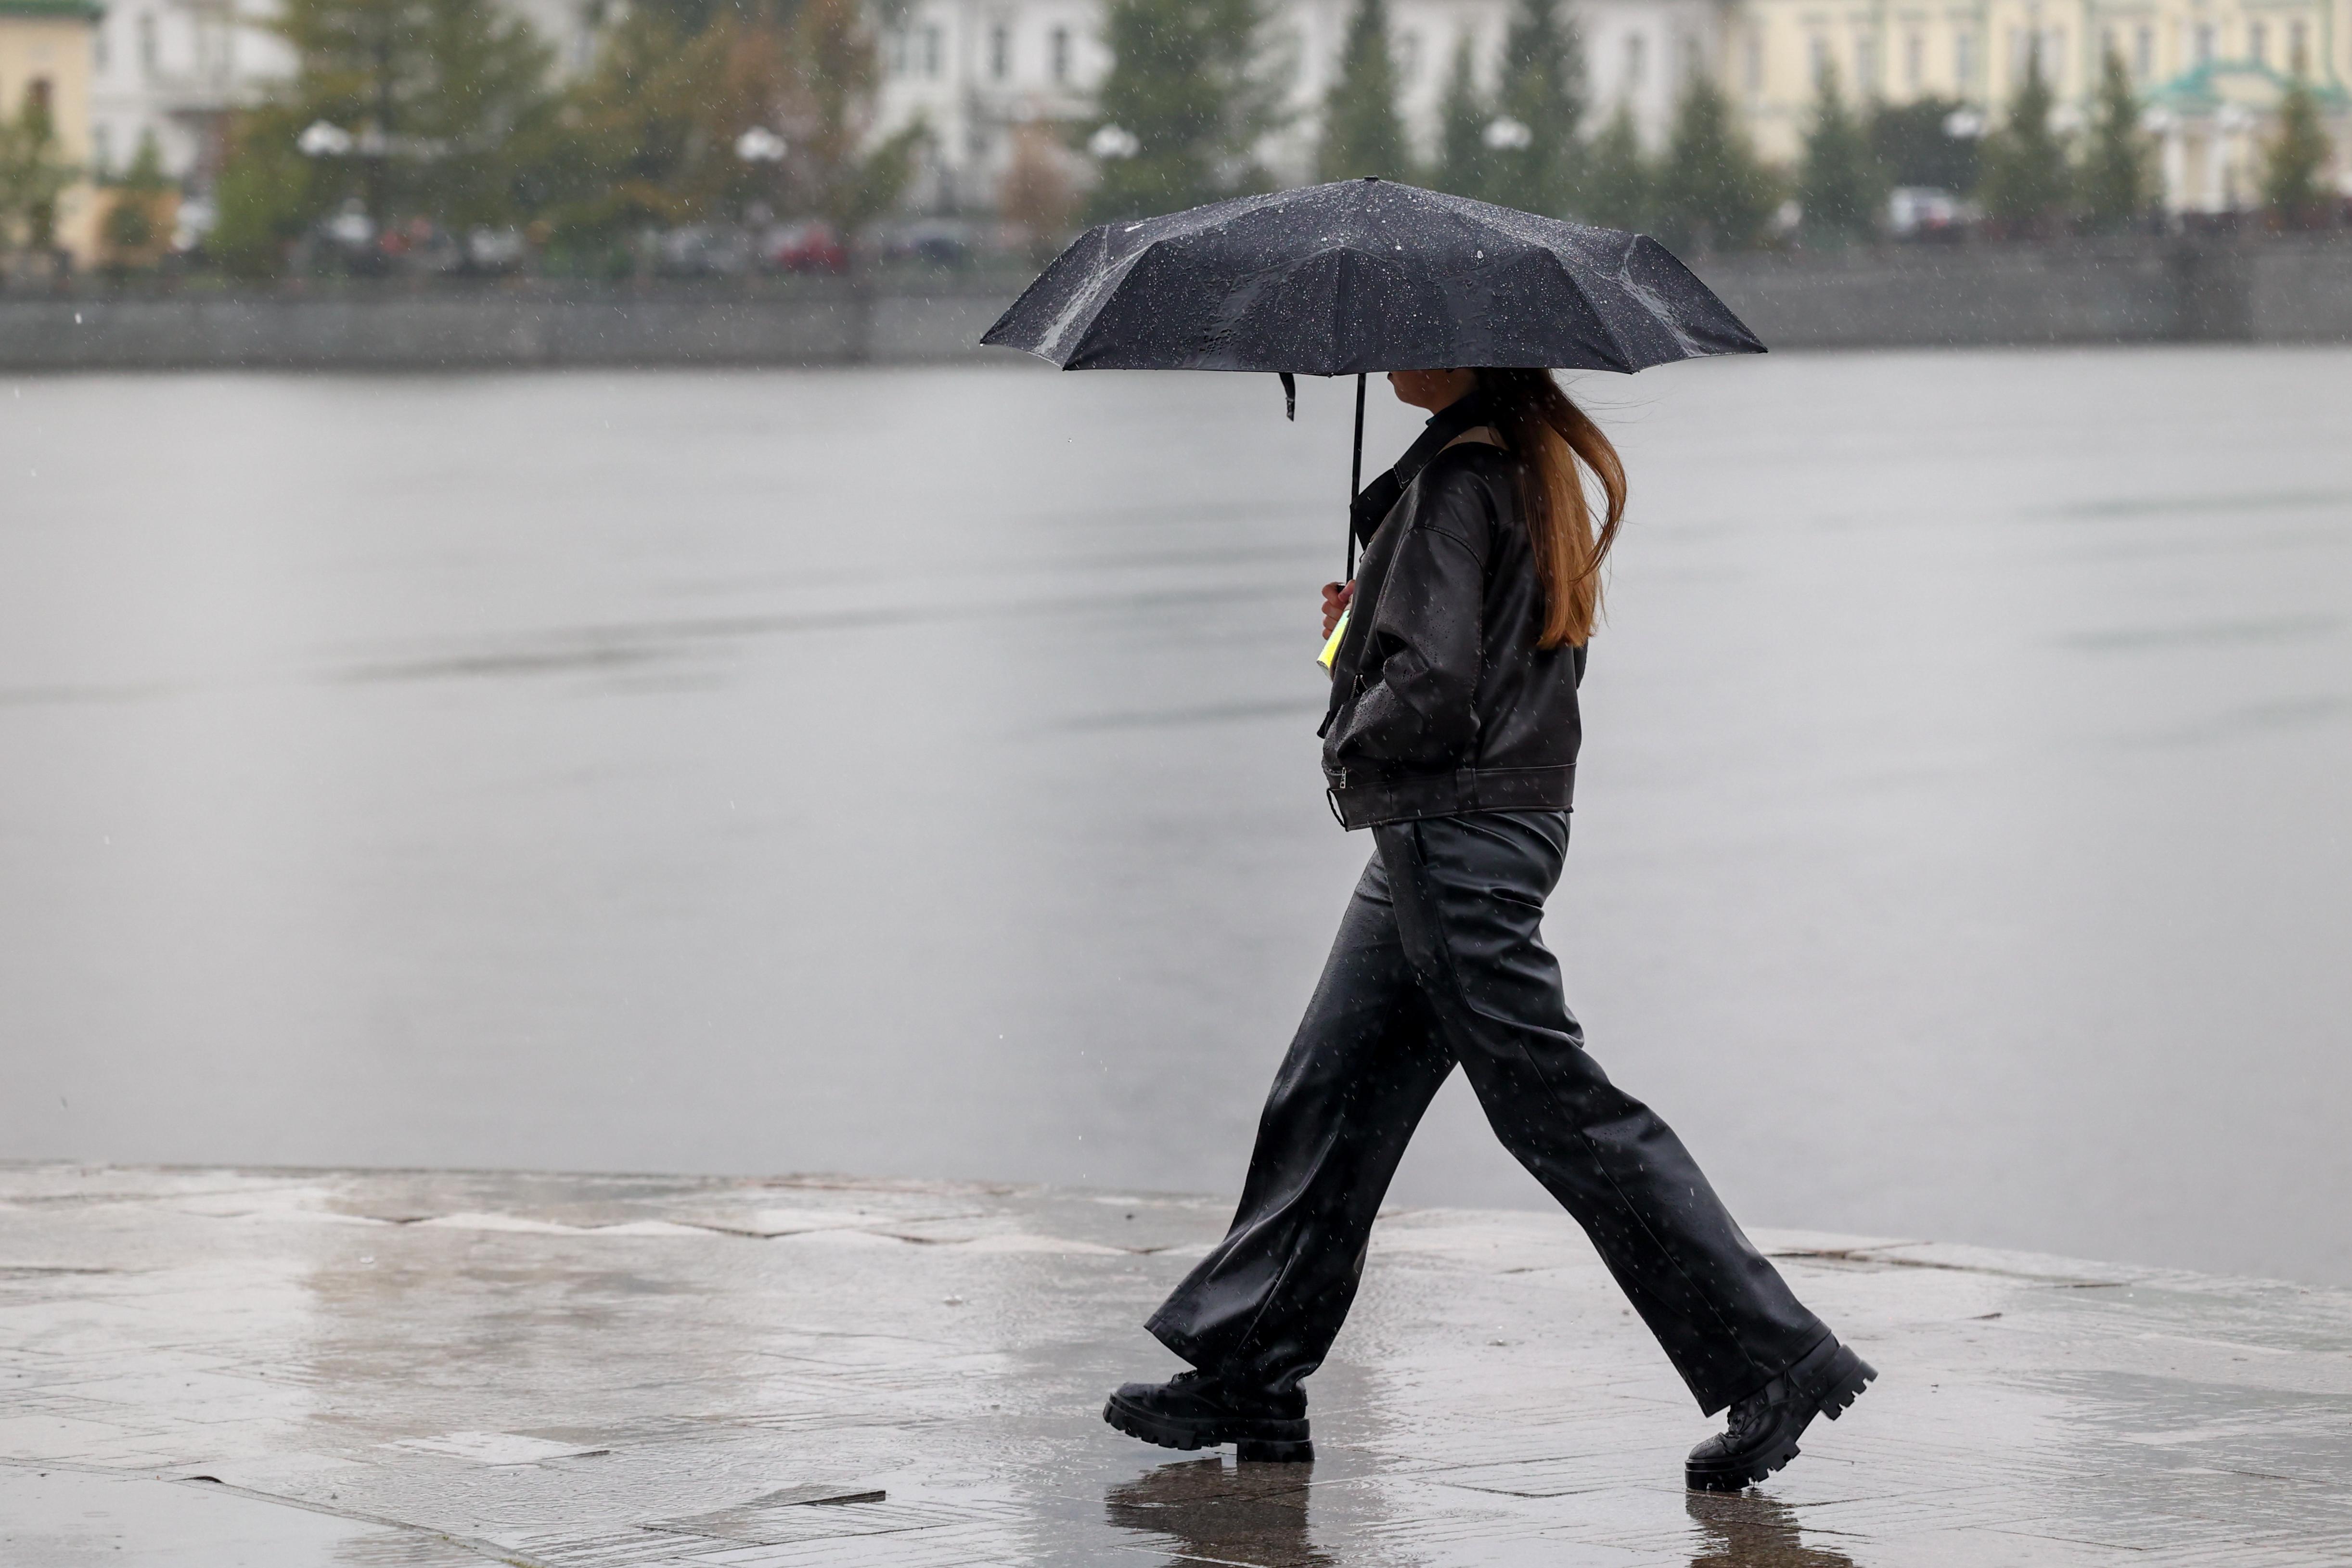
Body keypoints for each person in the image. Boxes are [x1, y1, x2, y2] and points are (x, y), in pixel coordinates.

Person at [1102, 367, 1873, 1492]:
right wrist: (1361, 624)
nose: (1386, 359)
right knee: (1331, 1088)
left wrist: (1348, 719)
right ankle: (1252, 1367)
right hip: (1468, 832)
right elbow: (1472, 657)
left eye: (1410, 339)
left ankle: (1778, 1357)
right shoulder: (1517, 467)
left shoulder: (1461, 479)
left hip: (1452, 841)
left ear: (1463, 355)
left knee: (1556, 1111)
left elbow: (1432, 692)